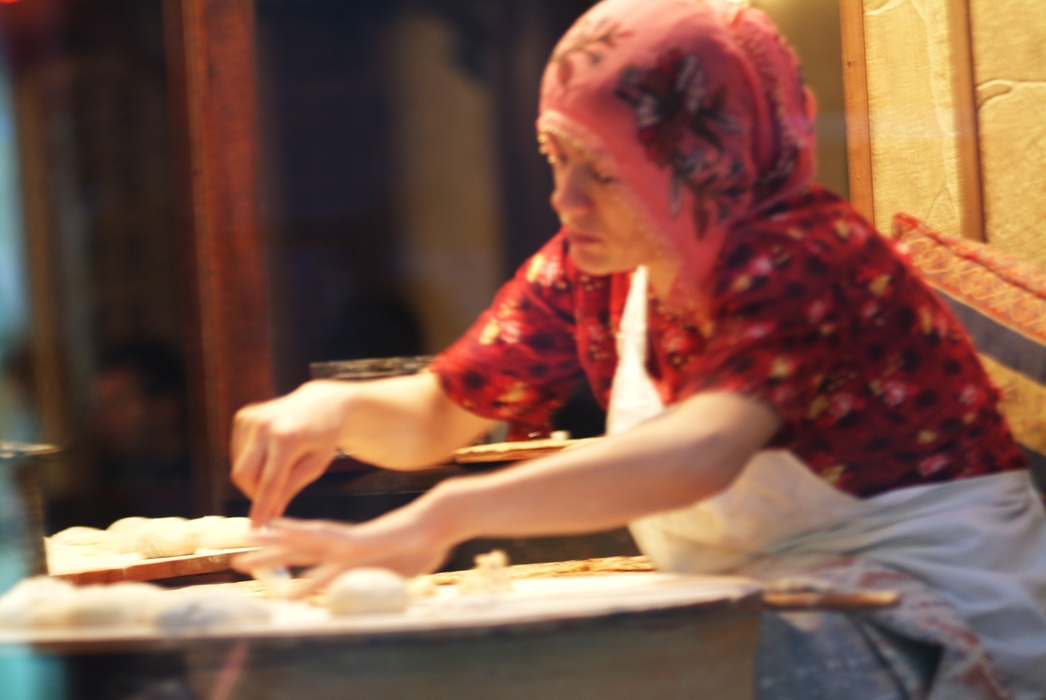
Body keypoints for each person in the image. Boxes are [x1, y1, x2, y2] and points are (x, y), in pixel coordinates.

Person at [231, 1, 1046, 697]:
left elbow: (698, 454)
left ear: (700, 158)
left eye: (604, 172)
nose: (564, 199)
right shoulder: (594, 271)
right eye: (558, 161)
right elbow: (436, 415)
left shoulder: (805, 253)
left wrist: (449, 514)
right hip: (764, 596)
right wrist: (329, 410)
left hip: (933, 617)